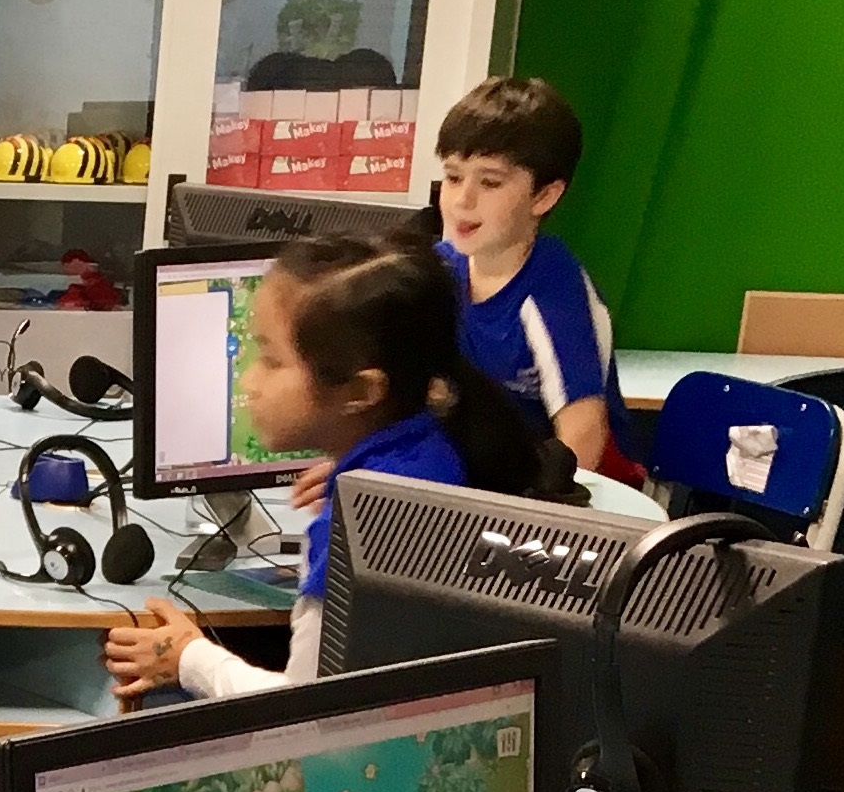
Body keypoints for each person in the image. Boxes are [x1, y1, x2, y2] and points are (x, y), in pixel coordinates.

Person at [100, 234, 538, 700]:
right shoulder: (434, 448)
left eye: (272, 360)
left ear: (362, 392)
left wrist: (188, 659)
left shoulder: (358, 530)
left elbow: (302, 709)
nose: (250, 381)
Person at [432, 76, 626, 479]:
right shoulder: (438, 270)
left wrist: (536, 508)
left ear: (544, 196)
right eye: (453, 177)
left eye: (490, 182)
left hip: (583, 485)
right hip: (488, 475)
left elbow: (584, 436)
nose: (463, 199)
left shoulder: (554, 290)